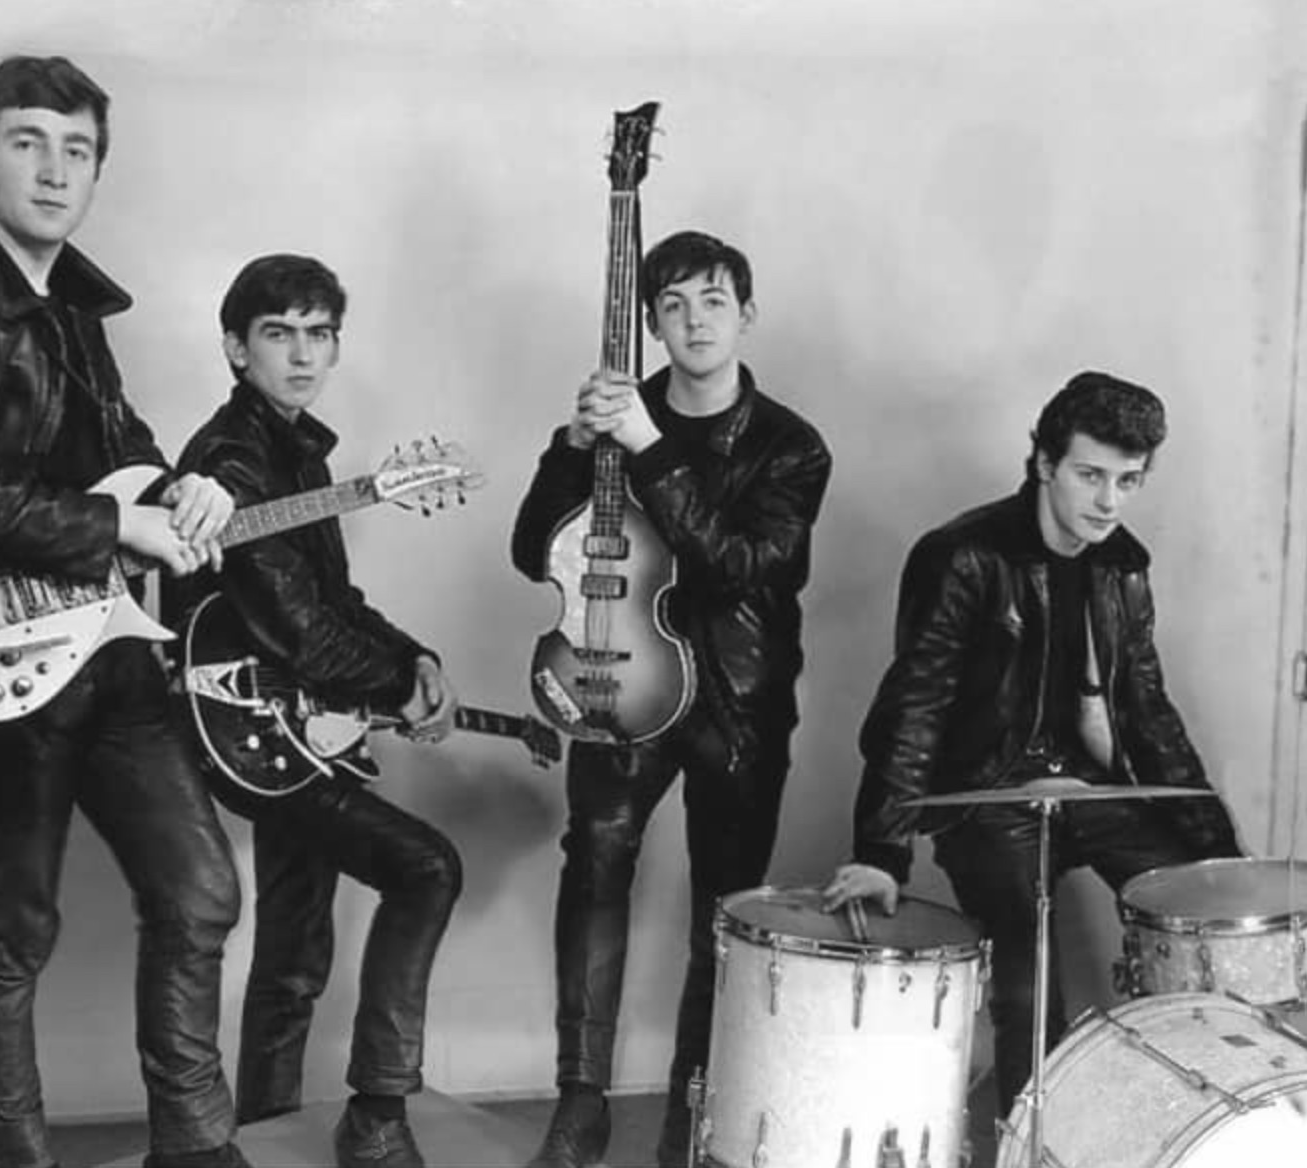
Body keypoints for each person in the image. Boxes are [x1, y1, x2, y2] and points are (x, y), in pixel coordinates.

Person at [0, 56, 249, 1168]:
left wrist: (177, 488)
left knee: (201, 890)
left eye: (78, 149)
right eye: (28, 141)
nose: (55, 167)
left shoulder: (77, 309)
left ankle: (195, 1145)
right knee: (13, 928)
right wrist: (114, 525)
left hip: (105, 643)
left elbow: (113, 451)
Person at [825, 371, 1243, 1119]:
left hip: (1088, 790)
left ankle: (1180, 1127)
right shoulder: (962, 556)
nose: (1108, 500)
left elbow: (1148, 711)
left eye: (1128, 480)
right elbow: (915, 708)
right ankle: (1029, 1138)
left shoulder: (1123, 565)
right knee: (1030, 974)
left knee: (1202, 919)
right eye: (1090, 475)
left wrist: (1219, 860)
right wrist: (880, 853)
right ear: (1045, 463)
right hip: (986, 797)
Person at [510, 230, 833, 1168]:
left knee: (723, 912)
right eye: (675, 306)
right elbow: (537, 552)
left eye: (714, 302)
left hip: (737, 702)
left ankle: (695, 1114)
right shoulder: (614, 423)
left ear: (747, 316)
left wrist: (648, 449)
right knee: (596, 869)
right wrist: (573, 451)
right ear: (649, 322)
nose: (695, 322)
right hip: (619, 678)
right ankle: (580, 1101)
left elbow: (740, 566)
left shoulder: (791, 446)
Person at [173, 254, 464, 1168]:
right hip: (252, 726)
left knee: (295, 944)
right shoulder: (233, 461)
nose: (302, 354)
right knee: (426, 868)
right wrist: (394, 685)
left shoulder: (294, 451)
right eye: (278, 333)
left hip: (290, 731)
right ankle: (377, 1116)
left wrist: (413, 657)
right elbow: (298, 634)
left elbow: (333, 603)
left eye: (319, 333)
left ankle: (265, 1131)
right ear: (235, 346)